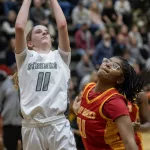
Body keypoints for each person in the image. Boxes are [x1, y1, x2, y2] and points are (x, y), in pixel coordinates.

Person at [14, 0, 76, 150]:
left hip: (58, 123)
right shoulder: (25, 58)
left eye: (47, 31)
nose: (44, 32)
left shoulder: (60, 57)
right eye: (38, 31)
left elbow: (62, 25)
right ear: (29, 43)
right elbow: (19, 27)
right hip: (32, 126)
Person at [73, 57, 146, 150]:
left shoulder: (114, 102)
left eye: (115, 66)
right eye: (107, 61)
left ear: (120, 79)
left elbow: (129, 142)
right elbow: (94, 121)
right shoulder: (88, 87)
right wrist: (78, 112)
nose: (107, 64)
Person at [0, 70, 22, 150]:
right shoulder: (5, 84)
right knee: (10, 147)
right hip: (9, 123)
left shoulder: (27, 81)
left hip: (24, 123)